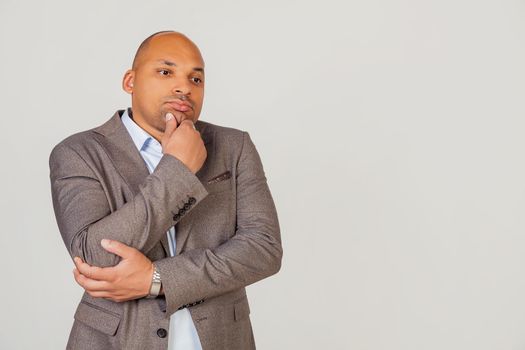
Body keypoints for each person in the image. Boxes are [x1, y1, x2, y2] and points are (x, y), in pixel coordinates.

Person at [49, 30, 282, 350]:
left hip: (221, 338)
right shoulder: (79, 152)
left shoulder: (233, 146)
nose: (184, 87)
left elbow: (263, 249)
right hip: (115, 341)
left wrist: (157, 279)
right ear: (130, 81)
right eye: (165, 71)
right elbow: (96, 257)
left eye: (196, 79)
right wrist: (178, 169)